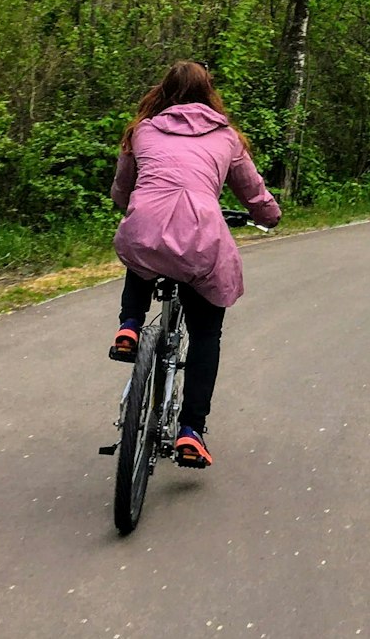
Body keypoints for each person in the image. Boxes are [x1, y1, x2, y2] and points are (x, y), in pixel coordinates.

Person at [107, 61, 280, 469]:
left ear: (163, 91)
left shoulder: (142, 131)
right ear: (208, 94)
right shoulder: (226, 137)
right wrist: (270, 215)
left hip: (146, 229)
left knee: (145, 244)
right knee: (206, 333)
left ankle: (129, 324)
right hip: (201, 237)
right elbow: (253, 192)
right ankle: (191, 431)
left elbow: (122, 189)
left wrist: (130, 204)